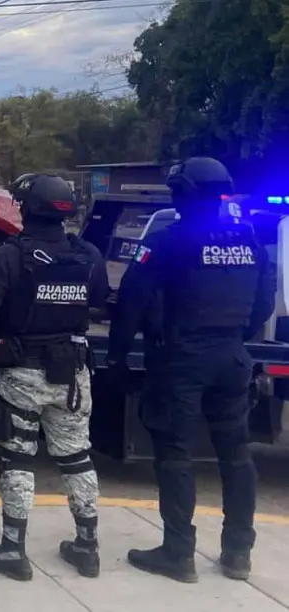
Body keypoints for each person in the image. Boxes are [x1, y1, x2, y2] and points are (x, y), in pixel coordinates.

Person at [109, 157, 275, 583]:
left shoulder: (169, 241)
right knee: (236, 455)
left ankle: (178, 553)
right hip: (231, 356)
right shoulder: (249, 239)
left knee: (175, 456)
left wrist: (118, 358)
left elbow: (131, 303)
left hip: (182, 358)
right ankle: (238, 553)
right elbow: (263, 304)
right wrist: (233, 333)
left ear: (182, 192)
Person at [0, 174, 109, 581]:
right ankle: (87, 547)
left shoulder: (10, 255)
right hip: (72, 375)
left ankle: (13, 549)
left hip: (22, 371)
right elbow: (98, 303)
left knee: (17, 457)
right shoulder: (89, 254)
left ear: (27, 208)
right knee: (77, 457)